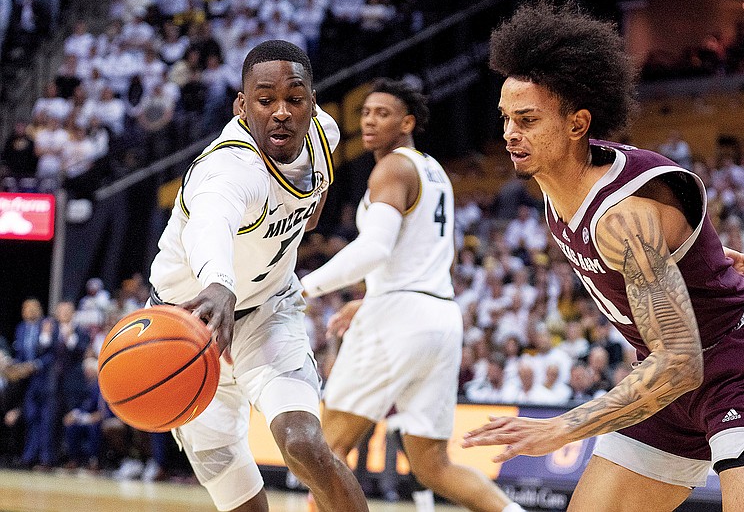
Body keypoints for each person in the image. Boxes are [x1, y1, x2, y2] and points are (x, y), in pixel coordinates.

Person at [462, 0, 744, 511]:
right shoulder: (558, 191)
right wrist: (703, 254)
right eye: (507, 117)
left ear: (577, 124)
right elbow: (659, 246)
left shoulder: (621, 215)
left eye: (527, 120)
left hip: (736, 365)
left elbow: (681, 361)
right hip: (662, 379)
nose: (510, 134)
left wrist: (561, 427)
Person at [148, 40, 368, 512]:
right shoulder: (229, 167)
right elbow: (211, 224)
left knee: (304, 444)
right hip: (188, 326)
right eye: (266, 100)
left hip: (267, 313)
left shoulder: (324, 133)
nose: (282, 112)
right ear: (242, 107)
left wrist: (300, 224)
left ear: (312, 100)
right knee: (240, 499)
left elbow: (312, 205)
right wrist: (219, 284)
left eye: (294, 98)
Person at [300, 78, 525, 512]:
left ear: (408, 122)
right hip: (438, 317)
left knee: (322, 453)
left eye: (382, 113)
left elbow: (376, 247)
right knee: (434, 466)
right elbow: (426, 253)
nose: (369, 120)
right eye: (365, 112)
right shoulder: (433, 171)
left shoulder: (392, 168)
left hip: (400, 319)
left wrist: (304, 286)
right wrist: (372, 297)